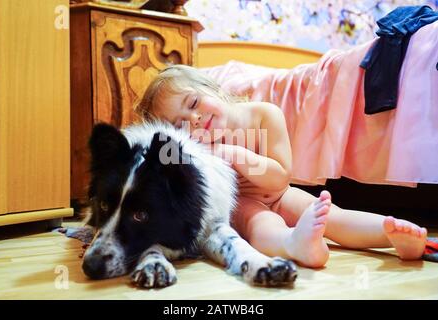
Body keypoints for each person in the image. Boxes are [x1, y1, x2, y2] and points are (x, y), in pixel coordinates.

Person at [137, 64, 428, 268]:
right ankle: (294, 244)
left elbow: (278, 178)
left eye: (194, 103)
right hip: (242, 203)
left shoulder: (264, 115)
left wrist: (234, 153)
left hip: (279, 193)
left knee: (334, 218)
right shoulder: (195, 150)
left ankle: (395, 236)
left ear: (212, 89)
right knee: (260, 223)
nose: (195, 120)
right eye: (180, 125)